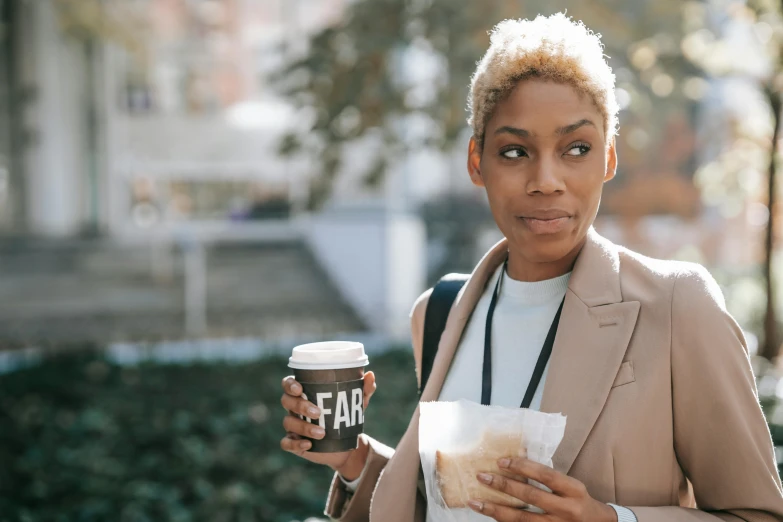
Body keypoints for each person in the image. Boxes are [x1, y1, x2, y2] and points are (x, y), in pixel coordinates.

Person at [280, 13, 783, 522]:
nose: (546, 181)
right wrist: (355, 460)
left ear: (607, 158)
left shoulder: (679, 305)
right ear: (477, 163)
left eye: (576, 149)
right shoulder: (439, 312)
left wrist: (609, 519)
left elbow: (758, 514)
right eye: (515, 151)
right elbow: (447, 502)